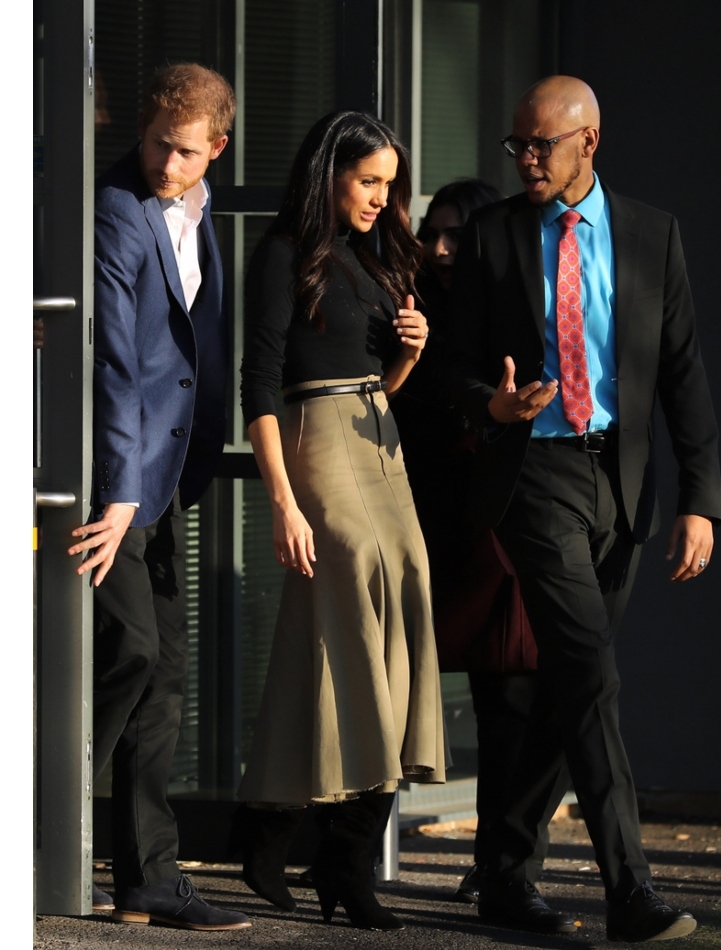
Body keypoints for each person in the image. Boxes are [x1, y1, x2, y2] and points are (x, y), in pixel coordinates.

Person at [447, 75, 721, 942]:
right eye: (516, 145)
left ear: (588, 141)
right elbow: (449, 372)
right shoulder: (492, 236)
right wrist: (490, 408)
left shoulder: (651, 234)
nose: (525, 158)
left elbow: (681, 373)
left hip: (624, 484)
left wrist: (700, 500)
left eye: (542, 145)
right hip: (535, 475)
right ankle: (630, 892)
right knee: (591, 673)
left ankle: (502, 876)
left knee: (566, 689)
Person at [234, 110, 448, 932]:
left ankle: (298, 841)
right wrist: (282, 501)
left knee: (388, 607)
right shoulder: (285, 253)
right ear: (328, 174)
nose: (379, 199)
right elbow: (259, 381)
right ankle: (331, 856)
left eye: (388, 185)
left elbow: (375, 385)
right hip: (315, 440)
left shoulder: (373, 257)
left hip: (377, 438)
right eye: (368, 181)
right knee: (357, 583)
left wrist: (409, 353)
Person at [68, 64, 249, 931]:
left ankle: (148, 877)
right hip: (123, 480)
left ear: (218, 148)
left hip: (168, 476)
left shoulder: (197, 212)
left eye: (183, 152)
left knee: (165, 674)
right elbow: (111, 362)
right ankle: (39, 833)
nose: (163, 164)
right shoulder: (115, 207)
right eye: (154, 145)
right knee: (132, 652)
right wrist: (117, 494)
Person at [391, 179, 540, 905]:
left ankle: (498, 863)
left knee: (505, 689)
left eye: (457, 235)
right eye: (432, 232)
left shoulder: (508, 307)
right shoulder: (408, 303)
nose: (441, 248)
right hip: (421, 513)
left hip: (489, 522)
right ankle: (351, 848)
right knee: (394, 678)